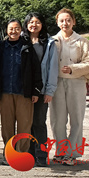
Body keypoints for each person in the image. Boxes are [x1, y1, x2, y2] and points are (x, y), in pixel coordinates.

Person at [50, 8, 89, 166]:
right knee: (57, 119)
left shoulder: (82, 42)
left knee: (76, 118)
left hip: (76, 81)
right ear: (57, 23)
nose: (65, 23)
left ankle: (72, 153)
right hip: (57, 82)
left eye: (68, 20)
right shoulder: (52, 41)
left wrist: (73, 69)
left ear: (74, 22)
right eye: (62, 20)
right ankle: (61, 151)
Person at [0, 19, 42, 165]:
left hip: (24, 92)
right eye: (11, 28)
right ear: (6, 30)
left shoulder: (27, 47)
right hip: (5, 91)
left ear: (21, 30)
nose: (13, 31)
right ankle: (9, 153)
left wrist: (36, 91)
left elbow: (36, 70)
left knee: (24, 124)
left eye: (17, 28)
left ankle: (21, 153)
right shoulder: (0, 47)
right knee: (7, 126)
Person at [23, 12, 59, 167]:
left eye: (37, 22)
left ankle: (41, 155)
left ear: (42, 24)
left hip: (42, 89)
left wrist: (49, 91)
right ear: (26, 24)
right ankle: (28, 153)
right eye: (31, 22)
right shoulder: (21, 40)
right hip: (24, 89)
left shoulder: (49, 43)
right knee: (26, 122)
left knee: (39, 122)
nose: (34, 25)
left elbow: (53, 68)